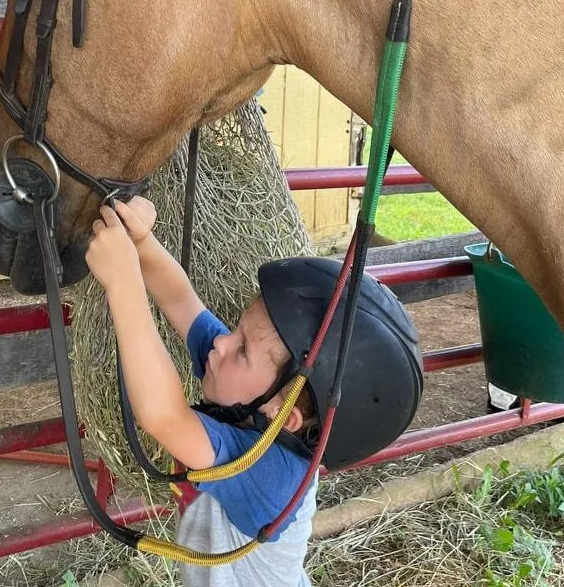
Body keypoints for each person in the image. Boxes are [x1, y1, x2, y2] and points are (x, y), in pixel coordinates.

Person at [86, 197, 422, 586]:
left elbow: (164, 416)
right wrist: (141, 242)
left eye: (242, 348)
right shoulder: (247, 392)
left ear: (285, 415)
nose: (221, 344)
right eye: (237, 332)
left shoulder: (273, 472)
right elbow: (180, 301)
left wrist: (123, 283)